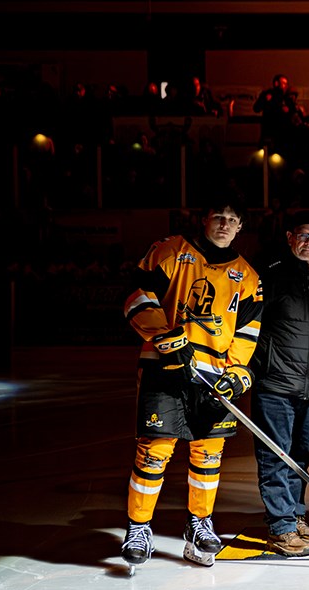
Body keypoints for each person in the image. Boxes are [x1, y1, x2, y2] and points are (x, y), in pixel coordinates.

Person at [119, 203, 263, 569]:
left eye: (232, 220)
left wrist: (237, 371)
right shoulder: (170, 251)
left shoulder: (248, 276)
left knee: (208, 454)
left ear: (240, 226)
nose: (224, 224)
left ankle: (199, 522)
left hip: (213, 378)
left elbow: (247, 331)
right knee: (154, 451)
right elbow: (137, 294)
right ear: (204, 219)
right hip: (163, 370)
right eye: (218, 217)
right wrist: (164, 335)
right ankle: (139, 526)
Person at [249, 210, 309, 557]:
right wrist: (257, 368)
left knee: (300, 457)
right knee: (276, 456)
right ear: (290, 237)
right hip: (275, 385)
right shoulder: (271, 274)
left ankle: (295, 516)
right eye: (303, 235)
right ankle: (280, 527)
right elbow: (249, 326)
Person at [254, 74, 291, 154]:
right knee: (268, 153)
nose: (285, 86)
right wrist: (265, 100)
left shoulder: (287, 97)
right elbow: (256, 108)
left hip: (281, 134)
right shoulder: (268, 95)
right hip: (269, 132)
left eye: (286, 84)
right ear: (276, 83)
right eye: (283, 83)